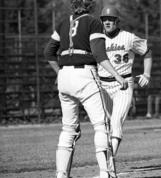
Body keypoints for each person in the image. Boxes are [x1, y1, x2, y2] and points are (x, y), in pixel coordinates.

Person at [43, 0, 128, 178]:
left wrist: (60, 73)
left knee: (68, 129)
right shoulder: (92, 22)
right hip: (85, 75)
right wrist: (118, 76)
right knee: (101, 126)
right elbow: (98, 53)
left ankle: (61, 175)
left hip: (65, 77)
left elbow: (49, 52)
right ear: (91, 6)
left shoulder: (64, 23)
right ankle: (106, 174)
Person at [98, 4, 152, 173]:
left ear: (117, 21)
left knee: (116, 122)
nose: (107, 22)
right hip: (103, 86)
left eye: (110, 19)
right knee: (104, 126)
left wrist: (147, 73)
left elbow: (147, 51)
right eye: (104, 19)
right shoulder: (97, 39)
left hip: (123, 84)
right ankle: (108, 162)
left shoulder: (128, 37)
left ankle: (109, 161)